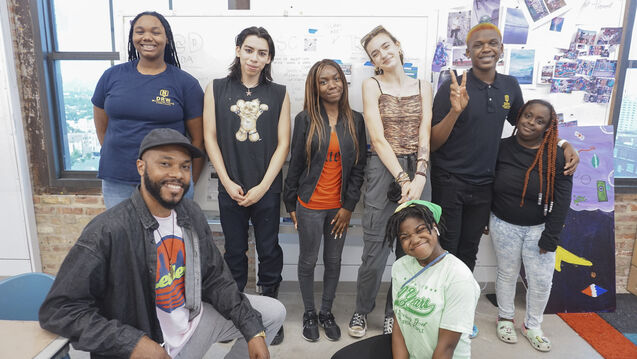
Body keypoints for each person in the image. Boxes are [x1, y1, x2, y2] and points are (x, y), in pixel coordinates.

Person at [39, 128, 286, 359]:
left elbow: (215, 278)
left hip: (192, 324)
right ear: (141, 167)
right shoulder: (108, 230)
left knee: (271, 314)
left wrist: (253, 331)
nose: (177, 174)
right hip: (149, 345)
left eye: (185, 166)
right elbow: (59, 311)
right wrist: (133, 342)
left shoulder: (190, 213)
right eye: (165, 163)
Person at [430, 24, 579, 338]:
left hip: (485, 185)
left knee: (468, 251)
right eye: (478, 45)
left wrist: (563, 145)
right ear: (468, 52)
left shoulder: (510, 87)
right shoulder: (453, 84)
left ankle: (458, 314)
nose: (486, 49)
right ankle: (441, 315)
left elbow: (528, 128)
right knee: (449, 250)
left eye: (492, 43)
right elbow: (433, 142)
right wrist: (456, 111)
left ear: (500, 49)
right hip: (450, 180)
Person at [203, 26, 290, 345]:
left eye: (262, 53)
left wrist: (264, 185)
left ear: (269, 59)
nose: (255, 58)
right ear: (238, 49)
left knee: (269, 251)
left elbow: (283, 144)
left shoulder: (278, 92)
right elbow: (209, 137)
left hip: (267, 188)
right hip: (231, 186)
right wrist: (226, 180)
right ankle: (238, 315)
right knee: (234, 253)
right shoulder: (216, 88)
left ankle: (273, 317)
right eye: (250, 50)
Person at [348, 25, 433, 339]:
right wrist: (402, 178)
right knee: (375, 249)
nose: (383, 54)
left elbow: (425, 130)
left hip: (420, 167)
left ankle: (393, 312)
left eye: (386, 46)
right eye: (375, 53)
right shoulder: (372, 85)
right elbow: (377, 138)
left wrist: (420, 175)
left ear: (397, 45)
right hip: (384, 169)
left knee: (411, 249)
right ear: (373, 61)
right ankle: (361, 310)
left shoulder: (424, 85)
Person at [283, 59, 367, 342]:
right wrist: (290, 204)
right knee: (307, 262)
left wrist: (348, 207)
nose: (332, 85)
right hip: (309, 206)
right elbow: (294, 165)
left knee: (333, 261)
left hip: (338, 208)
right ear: (315, 88)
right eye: (324, 81)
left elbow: (358, 169)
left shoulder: (356, 120)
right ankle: (309, 313)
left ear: (344, 81)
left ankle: (326, 312)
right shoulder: (305, 119)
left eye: (336, 79)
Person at [331, 200, 480, 359]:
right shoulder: (401, 266)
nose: (414, 240)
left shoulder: (459, 277)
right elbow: (400, 324)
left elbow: (447, 347)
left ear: (434, 226)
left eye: (421, 229)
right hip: (409, 349)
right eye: (405, 236)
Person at [93, 11, 204, 209]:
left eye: (155, 32)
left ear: (166, 38)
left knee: (170, 239)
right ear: (132, 37)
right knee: (125, 238)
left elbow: (198, 141)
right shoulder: (111, 77)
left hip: (169, 181)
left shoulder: (185, 84)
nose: (147, 37)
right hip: (118, 180)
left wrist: (186, 180)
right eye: (140, 31)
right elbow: (102, 128)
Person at [490, 100, 573, 352]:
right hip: (503, 223)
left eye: (539, 121)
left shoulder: (558, 156)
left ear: (548, 127)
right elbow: (486, 184)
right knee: (506, 273)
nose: (531, 123)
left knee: (541, 281)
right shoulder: (501, 148)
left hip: (540, 228)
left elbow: (562, 200)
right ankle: (505, 318)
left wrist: (551, 236)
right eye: (527, 116)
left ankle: (532, 325)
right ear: (519, 116)